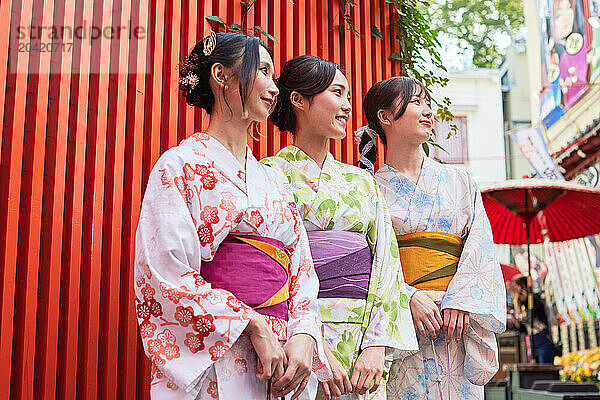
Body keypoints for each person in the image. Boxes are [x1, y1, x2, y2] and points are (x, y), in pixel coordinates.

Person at [134, 32, 330, 399]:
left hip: (282, 355)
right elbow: (165, 273)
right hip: (217, 352)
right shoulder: (179, 166)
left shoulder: (273, 180)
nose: (274, 87)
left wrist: (304, 335)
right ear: (221, 75)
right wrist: (251, 323)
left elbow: (301, 269)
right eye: (264, 71)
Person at [262, 55, 418, 400]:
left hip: (363, 348)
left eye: (348, 96)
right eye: (337, 93)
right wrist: (311, 344)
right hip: (298, 344)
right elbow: (268, 272)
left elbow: (387, 267)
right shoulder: (266, 177)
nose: (347, 106)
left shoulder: (362, 182)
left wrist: (377, 344)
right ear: (299, 100)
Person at [358, 76, 506, 399]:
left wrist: (462, 301)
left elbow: (480, 250)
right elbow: (368, 265)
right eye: (416, 103)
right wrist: (408, 297)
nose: (428, 111)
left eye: (428, 103)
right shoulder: (367, 190)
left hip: (455, 327)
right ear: (385, 117)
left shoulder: (460, 181)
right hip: (403, 329)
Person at [508, 275, 558, 364]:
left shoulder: (533, 299)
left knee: (545, 366)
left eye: (516, 285)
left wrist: (521, 293)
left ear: (522, 286)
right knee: (535, 369)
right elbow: (521, 328)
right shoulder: (517, 303)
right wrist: (513, 316)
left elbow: (535, 310)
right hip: (531, 339)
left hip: (542, 336)